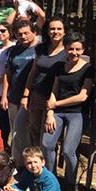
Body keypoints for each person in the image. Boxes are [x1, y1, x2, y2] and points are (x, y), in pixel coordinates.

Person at [41, 33, 93, 191]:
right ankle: (51, 180)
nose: (74, 52)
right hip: (57, 111)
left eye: (78, 49)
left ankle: (71, 184)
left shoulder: (88, 68)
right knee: (47, 144)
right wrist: (50, 112)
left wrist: (57, 104)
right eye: (71, 48)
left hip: (77, 112)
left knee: (68, 150)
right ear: (65, 49)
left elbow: (83, 96)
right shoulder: (59, 67)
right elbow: (54, 90)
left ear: (83, 50)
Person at [24, 16, 66, 149]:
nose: (56, 32)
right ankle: (33, 164)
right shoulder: (41, 49)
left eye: (59, 29)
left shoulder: (68, 52)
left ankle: (47, 167)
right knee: (33, 130)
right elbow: (33, 72)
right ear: (47, 31)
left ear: (64, 32)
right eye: (52, 29)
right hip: (37, 95)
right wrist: (26, 95)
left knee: (47, 135)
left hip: (54, 98)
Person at [3, 20, 39, 164]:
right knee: (16, 133)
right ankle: (18, 162)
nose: (23, 36)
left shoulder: (40, 50)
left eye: (26, 33)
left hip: (32, 99)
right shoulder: (14, 50)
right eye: (19, 34)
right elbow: (8, 73)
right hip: (14, 96)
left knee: (29, 132)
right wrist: (5, 95)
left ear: (34, 32)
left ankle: (31, 162)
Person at [5, 145, 69, 191]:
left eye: (35, 162)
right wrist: (10, 188)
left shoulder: (49, 179)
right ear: (25, 164)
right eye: (29, 163)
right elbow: (21, 185)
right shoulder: (28, 172)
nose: (33, 165)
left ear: (43, 162)